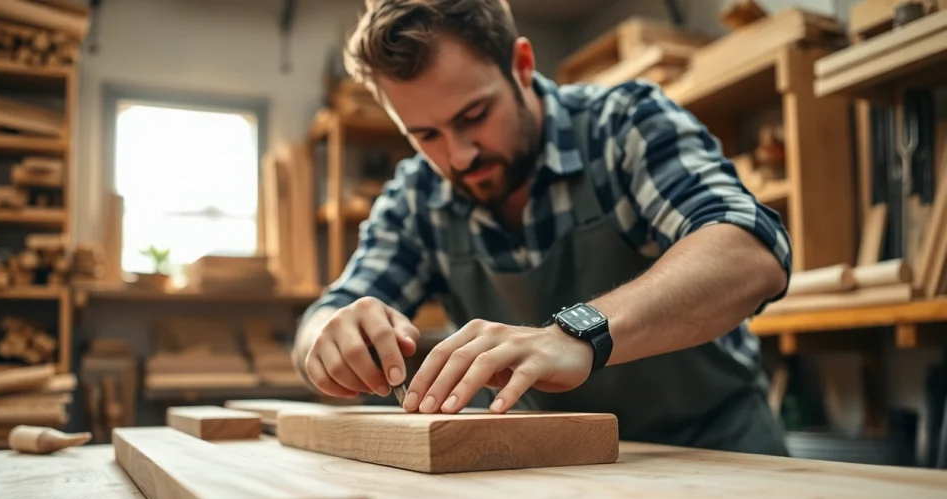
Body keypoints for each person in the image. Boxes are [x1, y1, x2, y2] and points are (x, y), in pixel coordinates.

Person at [291, 0, 793, 455]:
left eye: (474, 115)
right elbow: (321, 320)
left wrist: (578, 333)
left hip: (719, 455)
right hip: (563, 467)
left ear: (522, 65)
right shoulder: (417, 197)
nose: (459, 156)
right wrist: (331, 336)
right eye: (425, 135)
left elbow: (751, 251)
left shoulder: (623, 124)